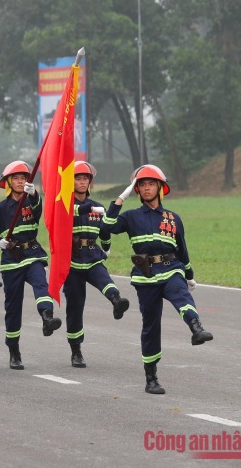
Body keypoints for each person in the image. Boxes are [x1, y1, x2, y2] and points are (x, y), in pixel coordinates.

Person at [101, 164, 213, 394]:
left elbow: (182, 249)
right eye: (142, 185)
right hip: (145, 276)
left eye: (151, 184)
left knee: (181, 296)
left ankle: (196, 329)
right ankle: (151, 378)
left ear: (161, 188)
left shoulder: (173, 218)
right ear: (137, 190)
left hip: (172, 268)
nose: (147, 188)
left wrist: (189, 275)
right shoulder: (130, 217)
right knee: (150, 326)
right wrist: (121, 197)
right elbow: (107, 226)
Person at [0, 161, 62, 370]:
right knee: (13, 308)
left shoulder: (32, 203)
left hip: (32, 254)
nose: (20, 181)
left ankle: (47, 317)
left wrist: (34, 196)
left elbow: (39, 208)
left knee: (42, 286)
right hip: (12, 260)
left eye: (24, 177)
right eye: (15, 178)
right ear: (7, 182)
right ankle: (13, 350)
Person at [63, 161, 129, 368]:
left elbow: (104, 229)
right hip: (71, 259)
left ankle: (117, 302)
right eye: (78, 178)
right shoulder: (64, 204)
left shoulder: (95, 206)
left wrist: (107, 246)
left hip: (92, 254)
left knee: (105, 280)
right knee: (75, 307)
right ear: (71, 182)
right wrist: (90, 208)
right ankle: (76, 350)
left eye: (86, 179)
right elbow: (69, 213)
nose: (82, 182)